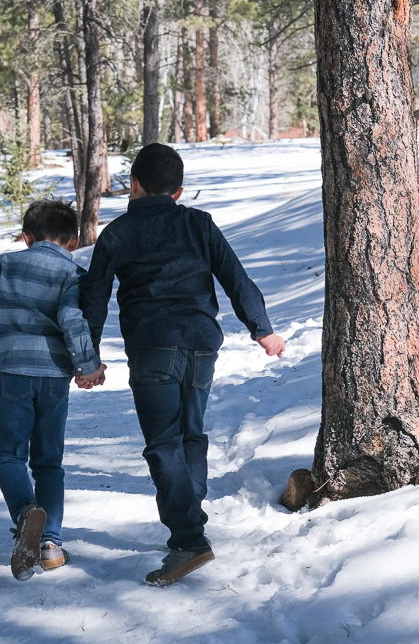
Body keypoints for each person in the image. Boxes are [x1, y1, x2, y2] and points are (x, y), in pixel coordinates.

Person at [78, 142, 285, 587]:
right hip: (200, 345)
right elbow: (236, 277)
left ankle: (189, 538)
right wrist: (262, 329)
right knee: (189, 435)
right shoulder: (198, 223)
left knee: (162, 444)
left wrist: (87, 356)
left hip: (153, 346)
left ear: (132, 184)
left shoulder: (116, 233)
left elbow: (93, 296)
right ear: (179, 191)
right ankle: (189, 523)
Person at [0, 198, 105, 581]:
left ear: (26, 238)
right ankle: (49, 545)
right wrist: (87, 365)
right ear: (74, 241)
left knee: (8, 455)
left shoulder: (5, 264)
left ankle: (26, 511)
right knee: (48, 461)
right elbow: (72, 319)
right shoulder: (74, 274)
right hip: (53, 374)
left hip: (9, 370)